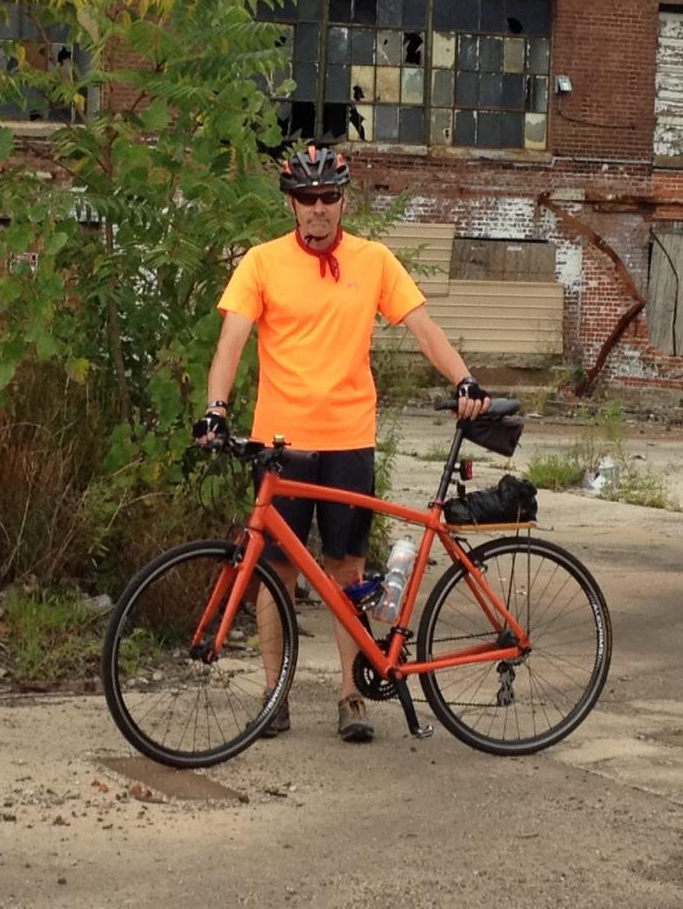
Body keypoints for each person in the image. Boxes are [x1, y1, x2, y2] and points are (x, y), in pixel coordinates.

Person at [193, 145, 490, 743]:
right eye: (307, 199)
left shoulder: (374, 260)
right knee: (275, 573)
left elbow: (423, 330)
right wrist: (216, 412)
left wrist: (463, 377)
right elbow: (230, 344)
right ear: (291, 205)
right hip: (280, 445)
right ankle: (274, 698)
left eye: (328, 198)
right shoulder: (262, 263)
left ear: (344, 201)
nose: (318, 210)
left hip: (349, 441)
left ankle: (351, 695)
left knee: (345, 568)